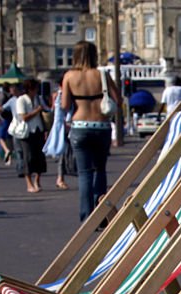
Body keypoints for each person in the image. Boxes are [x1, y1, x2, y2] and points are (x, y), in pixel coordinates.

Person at [62, 40, 121, 221]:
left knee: (84, 173)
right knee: (100, 170)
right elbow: (118, 99)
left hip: (80, 126)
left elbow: (65, 105)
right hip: (101, 126)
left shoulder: (69, 76)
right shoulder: (102, 75)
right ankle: (101, 214)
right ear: (94, 55)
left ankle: (87, 216)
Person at [15, 79, 48, 193]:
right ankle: (29, 183)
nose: (37, 91)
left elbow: (46, 110)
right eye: (35, 88)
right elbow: (23, 117)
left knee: (40, 157)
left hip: (38, 129)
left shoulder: (38, 98)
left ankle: (37, 181)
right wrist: (36, 111)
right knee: (28, 157)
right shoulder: (21, 100)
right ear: (30, 89)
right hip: (27, 132)